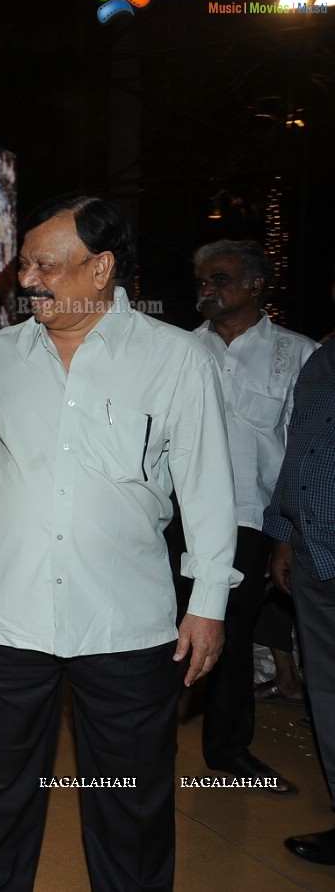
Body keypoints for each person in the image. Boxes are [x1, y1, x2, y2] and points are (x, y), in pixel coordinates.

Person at [0, 193, 241, 891]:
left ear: (101, 267)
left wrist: (206, 604)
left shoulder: (174, 360)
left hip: (125, 622)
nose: (26, 280)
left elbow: (206, 488)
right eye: (23, 264)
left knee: (130, 804)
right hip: (3, 616)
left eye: (45, 264)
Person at [191, 239, 316, 795]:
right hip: (175, 513)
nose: (207, 290)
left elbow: (303, 450)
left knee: (232, 633)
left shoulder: (300, 354)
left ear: (256, 284)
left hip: (249, 516)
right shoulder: (177, 349)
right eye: (201, 281)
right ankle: (142, 745)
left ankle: (227, 750)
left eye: (219, 279)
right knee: (153, 630)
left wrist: (286, 535)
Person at [265, 338, 335, 865]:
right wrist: (284, 534)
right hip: (315, 551)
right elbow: (301, 444)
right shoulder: (325, 356)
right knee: (328, 698)